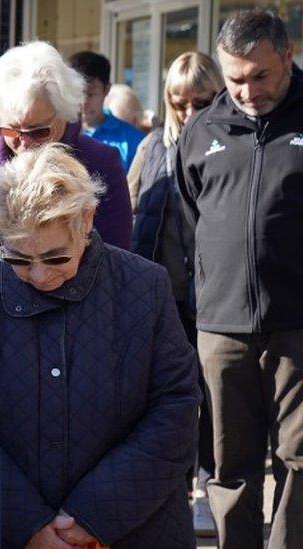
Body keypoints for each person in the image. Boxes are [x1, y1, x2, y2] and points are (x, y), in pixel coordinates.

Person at [0, 143, 200, 548]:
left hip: (136, 529)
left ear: (86, 220)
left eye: (55, 258)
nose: (37, 275)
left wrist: (93, 515)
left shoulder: (145, 287)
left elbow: (175, 411)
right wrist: (29, 525)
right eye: (18, 257)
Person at [175, 10, 303, 549]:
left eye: (260, 76)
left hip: (298, 325)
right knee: (230, 464)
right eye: (235, 79)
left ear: (288, 57)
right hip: (221, 330)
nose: (247, 91)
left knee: (300, 458)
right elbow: (189, 224)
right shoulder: (202, 131)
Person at [0, 41, 131, 319]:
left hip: (68, 333)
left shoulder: (100, 162)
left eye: (38, 131)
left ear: (63, 112)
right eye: (11, 129)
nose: (24, 142)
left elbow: (111, 264)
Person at [129, 50, 224, 538]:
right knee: (169, 400)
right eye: (178, 102)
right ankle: (177, 492)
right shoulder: (151, 148)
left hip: (213, 299)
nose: (189, 112)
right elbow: (129, 212)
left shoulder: (226, 144)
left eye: (201, 101)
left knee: (213, 402)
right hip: (160, 297)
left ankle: (208, 487)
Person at [69, 51, 145, 171]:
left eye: (91, 94)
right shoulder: (58, 133)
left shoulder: (133, 140)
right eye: (77, 93)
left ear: (107, 90)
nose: (83, 101)